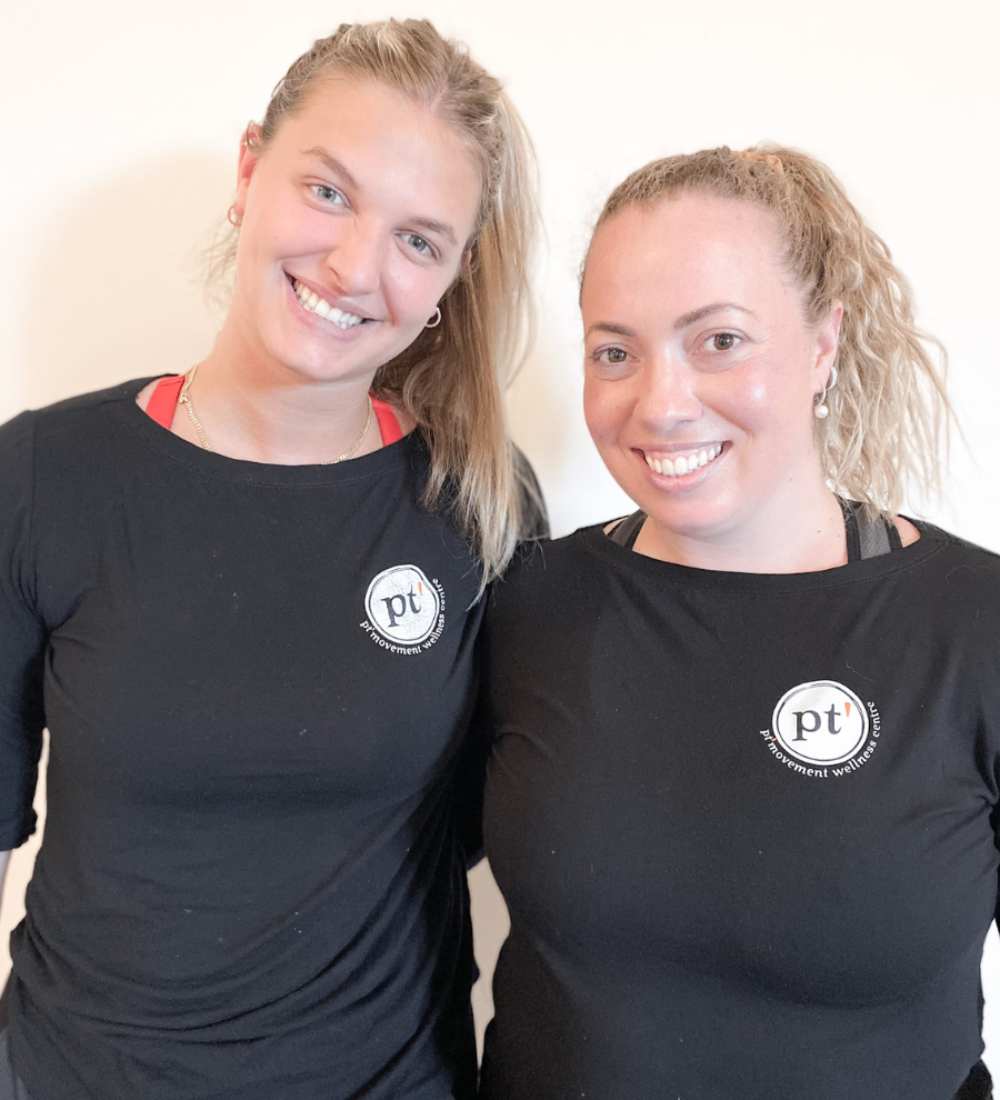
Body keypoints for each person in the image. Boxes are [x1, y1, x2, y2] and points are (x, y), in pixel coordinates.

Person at [0, 18, 540, 1100]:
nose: (353, 265)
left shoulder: (476, 504)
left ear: (452, 275)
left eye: (418, 238)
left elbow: (504, 821)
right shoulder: (42, 475)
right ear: (251, 169)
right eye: (328, 191)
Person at [477, 145, 998, 1099]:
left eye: (719, 340)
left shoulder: (974, 625)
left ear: (824, 344)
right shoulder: (529, 605)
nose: (661, 403)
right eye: (614, 351)